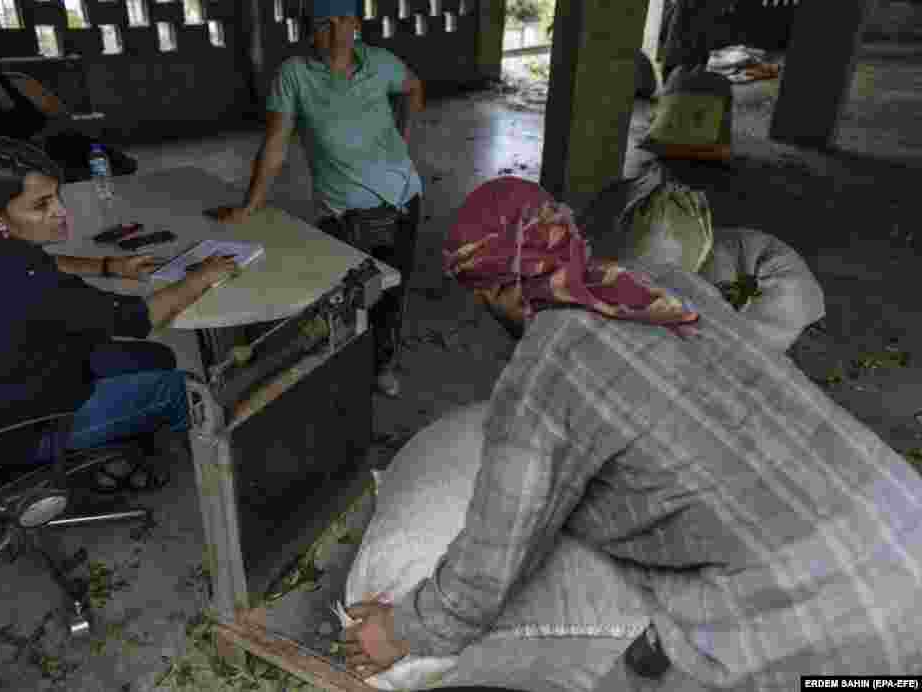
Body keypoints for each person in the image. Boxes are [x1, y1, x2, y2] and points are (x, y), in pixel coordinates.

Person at [341, 177, 922, 690]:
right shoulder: (676, 287)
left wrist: (400, 630)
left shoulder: (548, 369)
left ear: (493, 290)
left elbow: (486, 565)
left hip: (802, 633)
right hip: (904, 546)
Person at [0, 137, 238, 491]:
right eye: (41, 205)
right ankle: (220, 489)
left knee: (156, 356)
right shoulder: (24, 276)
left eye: (56, 196)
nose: (61, 212)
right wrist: (201, 276)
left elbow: (46, 263)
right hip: (32, 426)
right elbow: (137, 317)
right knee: (186, 390)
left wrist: (108, 264)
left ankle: (122, 449)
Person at [214, 0, 426, 397]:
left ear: (355, 24)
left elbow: (413, 86)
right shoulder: (294, 75)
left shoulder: (379, 63)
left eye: (341, 22)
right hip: (342, 213)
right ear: (307, 29)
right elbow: (275, 144)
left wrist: (405, 137)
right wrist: (252, 205)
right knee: (341, 297)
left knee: (391, 295)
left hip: (402, 201)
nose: (333, 34)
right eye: (322, 24)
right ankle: (342, 375)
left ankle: (382, 366)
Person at [0, 38, 137, 183]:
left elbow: (62, 116)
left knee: (120, 166)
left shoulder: (17, 82)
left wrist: (42, 138)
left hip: (63, 149)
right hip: (25, 170)